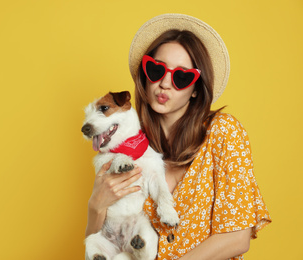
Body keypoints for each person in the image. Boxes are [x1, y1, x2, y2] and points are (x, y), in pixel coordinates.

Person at [85, 14, 271, 260]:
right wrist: (95, 207)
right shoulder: (128, 145)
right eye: (156, 69)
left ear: (196, 89)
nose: (164, 83)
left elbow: (237, 237)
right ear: (145, 75)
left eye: (181, 77)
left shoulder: (222, 132)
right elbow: (105, 247)